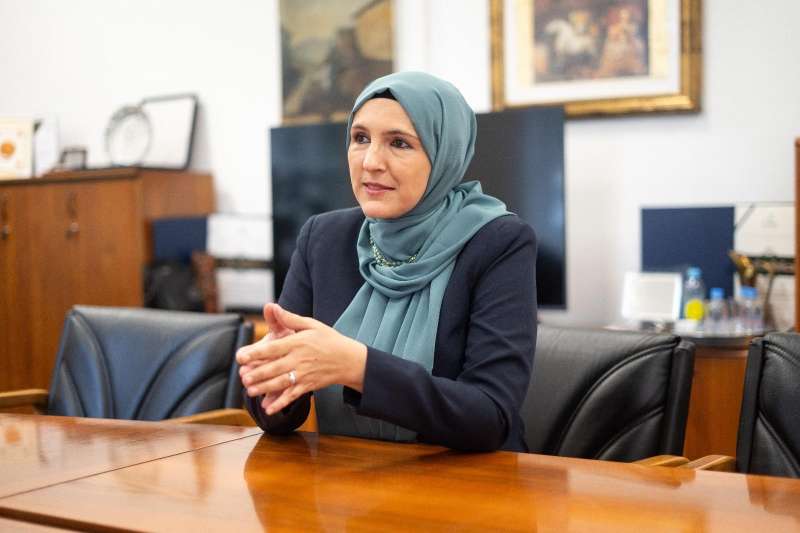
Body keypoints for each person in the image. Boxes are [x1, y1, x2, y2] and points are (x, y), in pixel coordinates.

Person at [237, 71, 537, 452]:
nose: (371, 161)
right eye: (360, 138)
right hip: (348, 476)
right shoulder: (323, 238)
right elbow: (275, 417)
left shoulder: (499, 242)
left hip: (470, 479)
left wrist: (358, 368)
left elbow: (490, 417)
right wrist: (275, 376)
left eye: (399, 143)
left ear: (444, 154)